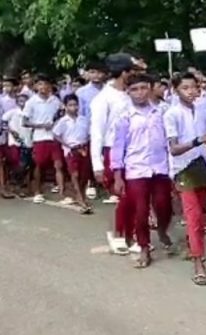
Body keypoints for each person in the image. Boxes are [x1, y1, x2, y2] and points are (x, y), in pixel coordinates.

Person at [111, 73, 174, 269]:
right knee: (140, 211)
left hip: (160, 167)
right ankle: (144, 247)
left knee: (164, 205)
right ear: (128, 92)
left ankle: (162, 230)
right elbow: (117, 147)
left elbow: (170, 141)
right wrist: (118, 176)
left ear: (150, 88)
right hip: (136, 169)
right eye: (134, 90)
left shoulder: (162, 111)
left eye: (143, 88)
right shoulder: (123, 116)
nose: (140, 93)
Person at [164, 73, 206, 285]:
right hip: (183, 168)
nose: (191, 91)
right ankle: (198, 264)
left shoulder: (202, 109)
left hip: (202, 165)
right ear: (176, 89)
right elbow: (174, 149)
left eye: (194, 87)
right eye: (185, 88)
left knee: (200, 215)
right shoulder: (171, 114)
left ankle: (192, 246)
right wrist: (198, 141)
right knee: (193, 217)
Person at [90, 53, 135, 255]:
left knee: (134, 196)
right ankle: (116, 233)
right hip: (112, 150)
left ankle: (130, 234)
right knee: (120, 196)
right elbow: (97, 132)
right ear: (123, 72)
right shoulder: (103, 98)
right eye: (131, 71)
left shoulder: (130, 94)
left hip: (133, 150)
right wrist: (97, 164)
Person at [23, 73, 64, 204]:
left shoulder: (55, 100)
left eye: (46, 84)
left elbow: (61, 113)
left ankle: (63, 193)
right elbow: (25, 122)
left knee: (58, 165)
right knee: (38, 165)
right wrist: (41, 125)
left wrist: (57, 122)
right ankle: (37, 192)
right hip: (39, 138)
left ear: (50, 86)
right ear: (35, 86)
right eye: (40, 84)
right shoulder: (31, 102)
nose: (43, 87)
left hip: (54, 137)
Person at [52, 95, 92, 213]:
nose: (73, 107)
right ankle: (79, 197)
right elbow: (56, 134)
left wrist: (87, 142)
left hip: (83, 148)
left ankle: (81, 194)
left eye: (75, 105)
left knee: (84, 175)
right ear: (65, 107)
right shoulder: (62, 121)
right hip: (71, 150)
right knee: (74, 174)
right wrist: (66, 144)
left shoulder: (84, 119)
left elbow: (90, 133)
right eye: (70, 105)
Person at [2, 93, 32, 198]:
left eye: (24, 100)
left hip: (27, 141)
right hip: (15, 140)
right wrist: (10, 131)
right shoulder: (12, 112)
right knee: (16, 162)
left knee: (25, 165)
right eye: (20, 100)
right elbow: (4, 122)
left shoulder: (30, 113)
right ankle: (14, 184)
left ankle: (20, 186)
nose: (22, 102)